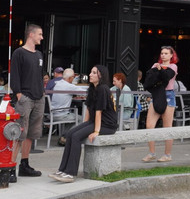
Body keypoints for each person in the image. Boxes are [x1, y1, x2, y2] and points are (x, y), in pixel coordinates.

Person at [51, 65, 118, 183]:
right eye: (91, 72)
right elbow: (88, 108)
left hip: (107, 125)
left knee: (76, 137)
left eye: (94, 73)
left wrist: (96, 131)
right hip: (95, 122)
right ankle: (63, 170)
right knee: (71, 133)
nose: (90, 75)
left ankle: (70, 173)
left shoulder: (103, 89)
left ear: (100, 76)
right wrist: (84, 125)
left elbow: (99, 112)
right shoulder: (92, 88)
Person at [10, 22, 45, 178]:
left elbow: (39, 75)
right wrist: (19, 94)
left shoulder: (39, 55)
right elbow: (15, 75)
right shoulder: (19, 53)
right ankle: (10, 167)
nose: (42, 37)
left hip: (39, 97)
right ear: (31, 34)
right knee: (19, 133)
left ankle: (24, 164)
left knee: (32, 133)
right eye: (40, 34)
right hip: (25, 97)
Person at [143, 45, 178, 162]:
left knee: (167, 127)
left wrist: (159, 70)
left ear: (171, 55)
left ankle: (167, 154)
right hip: (157, 94)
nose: (163, 55)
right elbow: (149, 79)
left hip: (168, 95)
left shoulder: (173, 66)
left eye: (166, 53)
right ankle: (151, 152)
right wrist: (157, 70)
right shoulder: (155, 65)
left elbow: (167, 77)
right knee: (149, 125)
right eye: (162, 53)